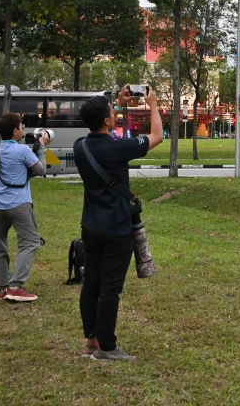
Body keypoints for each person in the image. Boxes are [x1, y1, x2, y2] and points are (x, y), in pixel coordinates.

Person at [75, 86, 163, 361]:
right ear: (106, 121)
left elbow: (104, 133)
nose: (114, 113)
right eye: (111, 112)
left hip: (90, 225)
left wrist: (116, 103)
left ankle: (91, 341)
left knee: (91, 284)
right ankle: (107, 347)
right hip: (116, 228)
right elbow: (158, 136)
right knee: (110, 288)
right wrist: (153, 105)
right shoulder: (118, 149)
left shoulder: (81, 146)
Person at [0, 113, 51, 302]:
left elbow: (12, 167)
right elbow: (40, 170)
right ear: (15, 131)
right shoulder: (23, 151)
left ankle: (3, 286)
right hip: (18, 203)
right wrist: (41, 148)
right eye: (21, 126)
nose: (23, 129)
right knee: (30, 242)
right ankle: (15, 287)